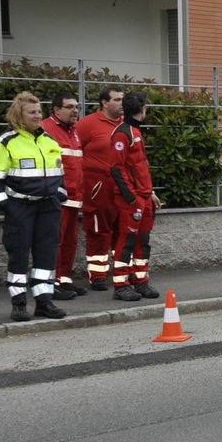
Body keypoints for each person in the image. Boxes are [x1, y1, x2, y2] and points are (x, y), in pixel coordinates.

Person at [0, 91, 68, 321]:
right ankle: (19, 303)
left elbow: (60, 174)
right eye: (32, 112)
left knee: (46, 256)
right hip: (20, 207)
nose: (38, 115)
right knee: (18, 255)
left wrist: (59, 194)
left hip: (48, 207)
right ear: (18, 116)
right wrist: (6, 206)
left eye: (39, 111)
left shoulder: (50, 141)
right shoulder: (6, 141)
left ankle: (44, 301)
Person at [109, 91, 161, 300]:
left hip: (143, 197)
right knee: (126, 241)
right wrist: (132, 198)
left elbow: (139, 168)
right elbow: (117, 168)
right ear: (142, 109)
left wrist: (150, 193)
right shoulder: (123, 133)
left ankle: (141, 281)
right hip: (132, 199)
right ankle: (121, 286)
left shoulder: (135, 131)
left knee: (143, 241)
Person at [76, 85, 124, 290]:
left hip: (122, 186)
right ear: (105, 102)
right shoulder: (87, 125)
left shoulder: (126, 125)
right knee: (98, 231)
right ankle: (97, 275)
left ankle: (122, 274)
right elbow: (71, 153)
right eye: (117, 100)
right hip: (98, 186)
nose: (122, 103)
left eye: (123, 99)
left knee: (123, 231)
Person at [41, 92, 86, 300]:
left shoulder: (73, 131)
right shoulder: (46, 130)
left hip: (74, 196)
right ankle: (52, 282)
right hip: (57, 197)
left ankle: (64, 279)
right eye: (69, 107)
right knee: (55, 241)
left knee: (69, 242)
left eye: (76, 106)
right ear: (56, 110)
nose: (75, 110)